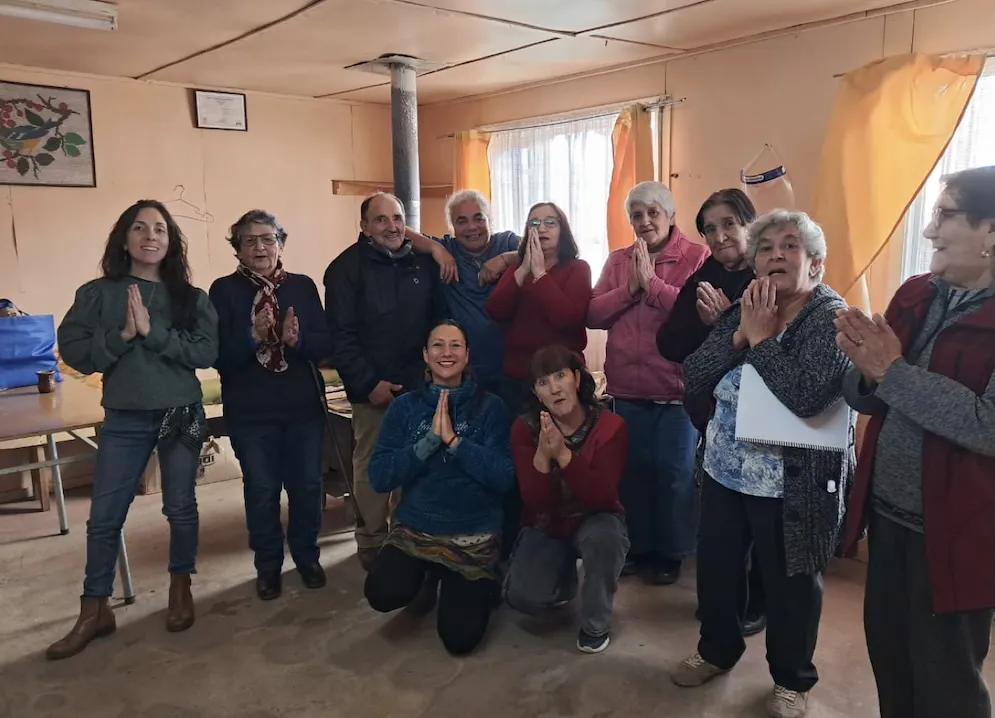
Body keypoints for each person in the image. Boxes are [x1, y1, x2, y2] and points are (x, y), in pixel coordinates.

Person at [672, 210, 853, 718]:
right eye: (766, 247)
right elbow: (692, 375)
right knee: (720, 571)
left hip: (791, 484)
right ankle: (716, 650)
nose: (775, 254)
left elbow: (808, 396)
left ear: (814, 263)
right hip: (726, 469)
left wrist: (763, 341)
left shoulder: (832, 318)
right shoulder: (748, 307)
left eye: (790, 246)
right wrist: (737, 334)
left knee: (791, 582)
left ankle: (792, 680)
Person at [837, 166, 995, 718]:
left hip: (958, 535)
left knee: (947, 684)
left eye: (946, 214)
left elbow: (987, 425)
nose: (929, 231)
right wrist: (861, 373)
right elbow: (870, 393)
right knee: (892, 662)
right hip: (889, 518)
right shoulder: (916, 294)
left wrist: (891, 372)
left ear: (992, 233)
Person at [47, 200, 218, 660]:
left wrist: (153, 334)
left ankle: (180, 586)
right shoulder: (97, 294)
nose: (150, 236)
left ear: (170, 241)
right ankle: (94, 607)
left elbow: (206, 352)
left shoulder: (191, 297)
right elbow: (75, 352)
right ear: (124, 238)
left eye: (160, 229)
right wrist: (122, 336)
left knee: (180, 508)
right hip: (124, 415)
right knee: (104, 517)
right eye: (139, 228)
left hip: (180, 411)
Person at [364, 321, 514, 655]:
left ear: (467, 354)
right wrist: (428, 443)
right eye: (438, 345)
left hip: (473, 535)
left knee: (459, 639)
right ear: (425, 355)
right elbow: (379, 476)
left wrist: (455, 442)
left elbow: (504, 477)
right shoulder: (404, 407)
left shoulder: (491, 408)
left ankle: (479, 582)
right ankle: (429, 576)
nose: (447, 353)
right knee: (383, 592)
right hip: (417, 529)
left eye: (455, 345)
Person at [656, 188, 766, 635]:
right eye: (709, 229)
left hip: (764, 420)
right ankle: (722, 605)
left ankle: (756, 603)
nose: (719, 237)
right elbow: (670, 344)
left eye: (728, 225)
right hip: (714, 417)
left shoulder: (771, 276)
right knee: (721, 523)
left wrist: (725, 327)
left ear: (750, 224)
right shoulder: (707, 276)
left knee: (760, 521)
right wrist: (714, 326)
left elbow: (769, 354)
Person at [588, 180, 708, 586]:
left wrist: (653, 287)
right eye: (636, 215)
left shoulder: (696, 256)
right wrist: (630, 289)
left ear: (670, 216)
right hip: (626, 387)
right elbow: (593, 313)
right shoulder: (619, 260)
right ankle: (639, 548)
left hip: (675, 391)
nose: (644, 221)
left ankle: (671, 552)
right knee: (634, 472)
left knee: (673, 472)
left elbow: (697, 314)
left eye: (652, 213)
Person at [210, 210, 334, 601]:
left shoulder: (302, 286)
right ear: (238, 250)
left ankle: (307, 557)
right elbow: (216, 356)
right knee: (262, 490)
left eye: (268, 239)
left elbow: (326, 345)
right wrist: (251, 336)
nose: (260, 247)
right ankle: (267, 565)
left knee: (307, 487)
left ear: (280, 243)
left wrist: (299, 343)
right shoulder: (223, 291)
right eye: (250, 241)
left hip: (303, 408)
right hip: (251, 412)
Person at [324, 192, 444, 570]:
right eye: (380, 220)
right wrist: (369, 383)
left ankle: (405, 533)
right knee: (372, 464)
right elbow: (341, 338)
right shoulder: (344, 269)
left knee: (416, 461)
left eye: (397, 217)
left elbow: (436, 322)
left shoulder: (421, 263)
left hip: (418, 386)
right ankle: (372, 539)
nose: (391, 226)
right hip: (372, 390)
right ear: (364, 227)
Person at [504, 345, 629, 655]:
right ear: (536, 393)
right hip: (548, 523)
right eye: (543, 382)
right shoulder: (524, 428)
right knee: (523, 597)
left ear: (576, 378)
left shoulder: (611, 425)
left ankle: (595, 624)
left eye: (560, 376)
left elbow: (602, 496)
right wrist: (543, 457)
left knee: (605, 539)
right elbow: (537, 503)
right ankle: (564, 580)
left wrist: (562, 454)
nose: (555, 388)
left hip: (596, 517)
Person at [405, 190, 520, 397]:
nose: (472, 227)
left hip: (513, 368)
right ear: (453, 228)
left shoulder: (507, 242)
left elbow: (547, 249)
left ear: (489, 220)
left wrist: (505, 259)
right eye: (461, 221)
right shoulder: (448, 248)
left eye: (478, 218)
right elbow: (399, 230)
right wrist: (435, 248)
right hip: (467, 373)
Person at [485, 202, 592, 414]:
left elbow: (567, 319)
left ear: (562, 230)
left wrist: (540, 274)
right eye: (534, 223)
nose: (541, 228)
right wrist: (525, 268)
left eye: (550, 223)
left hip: (561, 378)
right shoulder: (517, 269)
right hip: (518, 377)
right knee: (521, 443)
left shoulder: (578, 268)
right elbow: (496, 311)